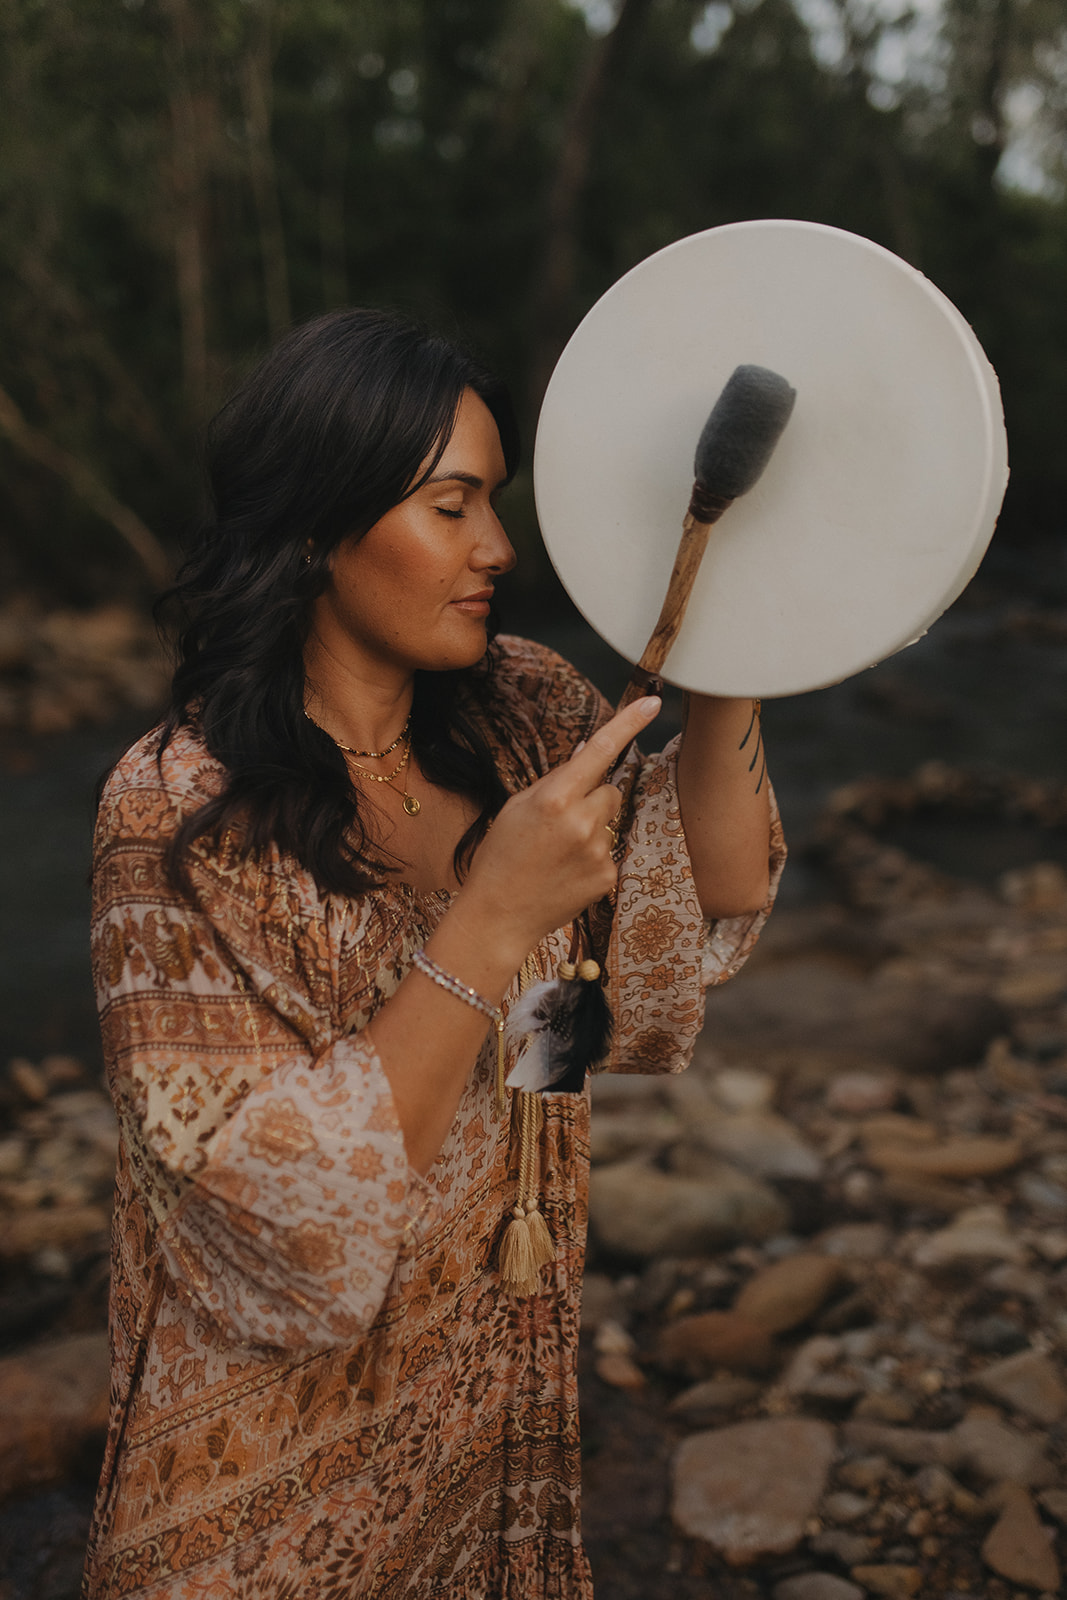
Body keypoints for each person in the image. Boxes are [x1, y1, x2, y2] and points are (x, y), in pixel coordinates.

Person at [84, 308, 785, 1599]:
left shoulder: (523, 712)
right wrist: (492, 922)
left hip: (485, 1371)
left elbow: (707, 904)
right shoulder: (174, 814)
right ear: (314, 526)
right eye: (451, 505)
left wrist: (730, 648)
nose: (498, 550)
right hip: (265, 1451)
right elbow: (280, 1215)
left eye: (495, 504)